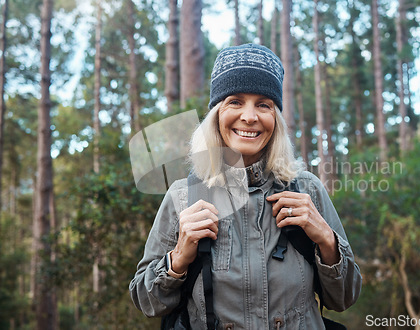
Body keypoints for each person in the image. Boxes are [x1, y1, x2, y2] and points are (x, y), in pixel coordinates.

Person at [130, 43, 362, 329]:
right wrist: (178, 258)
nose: (250, 117)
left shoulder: (308, 190)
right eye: (235, 101)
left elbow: (345, 297)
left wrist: (327, 240)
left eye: (263, 104)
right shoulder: (183, 196)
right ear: (216, 113)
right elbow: (146, 301)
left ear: (275, 119)